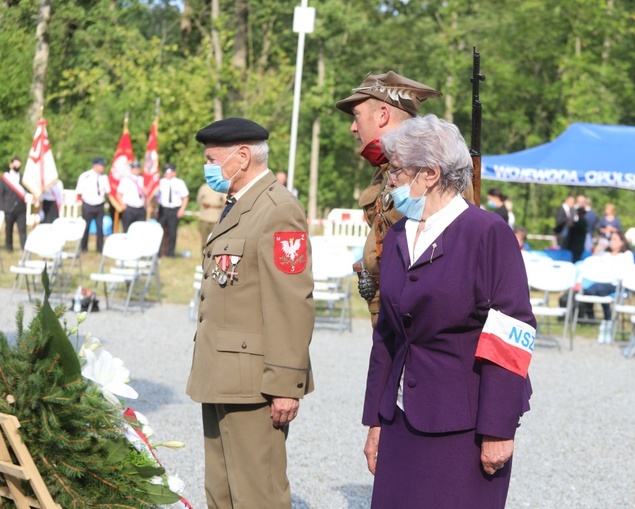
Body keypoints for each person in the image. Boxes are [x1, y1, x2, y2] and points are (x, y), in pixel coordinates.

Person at [362, 115, 534, 508]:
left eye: (397, 171)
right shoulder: (401, 234)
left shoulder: (486, 233)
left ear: (430, 173)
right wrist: (375, 418)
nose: (390, 181)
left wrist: (498, 428)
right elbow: (387, 334)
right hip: (401, 418)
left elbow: (511, 333)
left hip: (464, 425)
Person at [187, 117, 314, 509]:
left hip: (256, 384)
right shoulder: (238, 206)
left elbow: (291, 303)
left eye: (212, 159)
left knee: (257, 496)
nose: (207, 168)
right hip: (222, 374)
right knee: (221, 493)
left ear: (242, 157)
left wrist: (284, 385)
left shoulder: (278, 209)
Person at [335, 70, 444, 325]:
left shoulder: (425, 168)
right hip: (388, 308)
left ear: (383, 115)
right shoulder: (386, 167)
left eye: (357, 116)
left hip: (413, 315)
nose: (353, 127)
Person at [582, 231, 635, 343]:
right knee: (589, 290)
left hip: (617, 284)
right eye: (611, 239)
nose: (612, 242)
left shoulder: (626, 255)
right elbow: (592, 265)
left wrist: (612, 275)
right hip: (601, 282)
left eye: (615, 240)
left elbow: (626, 273)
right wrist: (597, 251)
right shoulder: (605, 254)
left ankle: (607, 320)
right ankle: (606, 319)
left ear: (622, 242)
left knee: (600, 289)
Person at [75, 157, 110, 253]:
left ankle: (100, 248)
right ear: (96, 165)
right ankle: (83, 248)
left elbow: (108, 191)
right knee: (85, 227)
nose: (103, 167)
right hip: (88, 204)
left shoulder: (104, 177)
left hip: (100, 204)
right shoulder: (85, 176)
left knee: (100, 227)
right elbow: (79, 191)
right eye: (101, 165)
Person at [156, 163, 189, 257]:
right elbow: (155, 196)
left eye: (169, 171)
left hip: (174, 209)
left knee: (172, 232)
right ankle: (159, 252)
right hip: (163, 209)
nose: (167, 173)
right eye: (166, 171)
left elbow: (185, 197)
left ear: (174, 172)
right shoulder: (161, 182)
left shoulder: (179, 183)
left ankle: (170, 253)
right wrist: (155, 208)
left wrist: (182, 209)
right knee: (160, 231)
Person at [0, 157, 29, 251]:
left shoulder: (23, 177)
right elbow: (1, 193)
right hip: (9, 208)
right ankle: (9, 248)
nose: (17, 166)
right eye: (15, 164)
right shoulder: (5, 178)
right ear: (11, 165)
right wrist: (2, 207)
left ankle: (24, 247)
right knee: (9, 229)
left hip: (21, 208)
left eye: (18, 164)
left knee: (22, 229)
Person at [116, 161, 147, 232]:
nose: (136, 170)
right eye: (134, 168)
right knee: (127, 230)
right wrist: (123, 205)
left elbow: (145, 192)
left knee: (140, 231)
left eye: (138, 168)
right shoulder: (125, 180)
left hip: (140, 209)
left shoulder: (141, 179)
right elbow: (119, 194)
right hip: (129, 209)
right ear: (131, 169)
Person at [196, 182, 226, 252]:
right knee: (204, 240)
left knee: (214, 240)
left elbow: (225, 201)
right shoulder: (203, 187)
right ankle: (203, 258)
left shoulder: (221, 187)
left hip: (216, 218)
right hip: (204, 217)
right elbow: (199, 200)